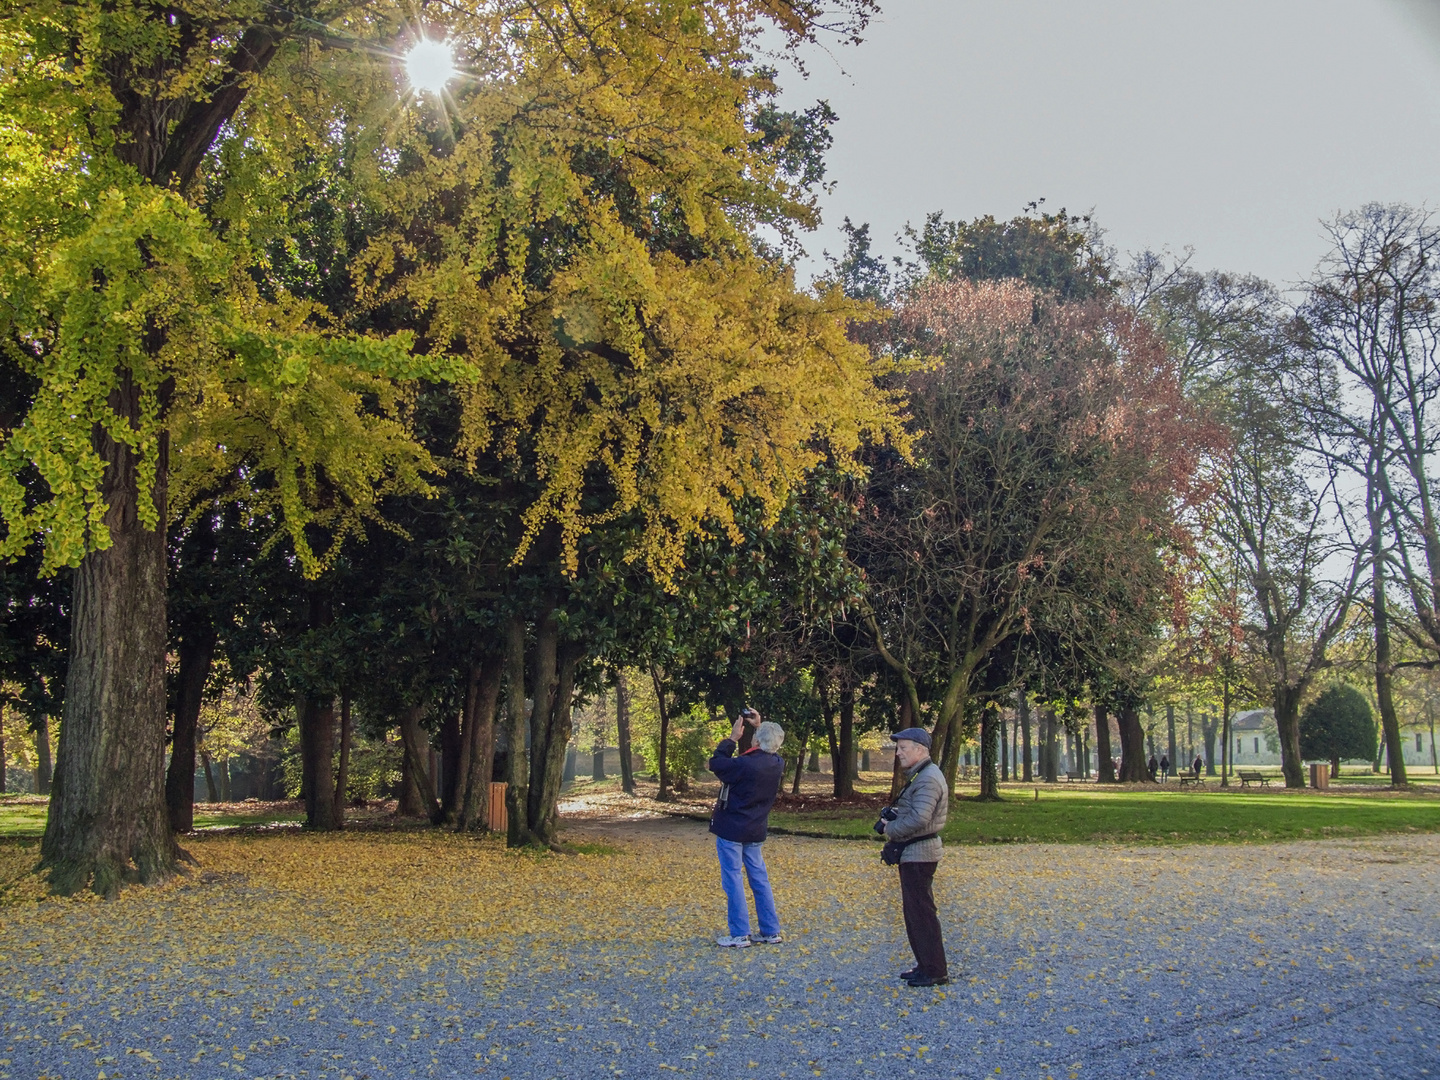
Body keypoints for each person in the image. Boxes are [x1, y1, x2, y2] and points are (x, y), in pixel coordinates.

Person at [709, 708, 786, 948]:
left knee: (733, 879)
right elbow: (766, 746)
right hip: (755, 829)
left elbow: (716, 763)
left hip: (732, 828)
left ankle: (740, 933)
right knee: (759, 879)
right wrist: (760, 727)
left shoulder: (743, 765)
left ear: (755, 741)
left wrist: (731, 739)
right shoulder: (776, 763)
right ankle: (770, 930)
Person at [882, 727, 949, 988]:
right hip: (915, 853)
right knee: (916, 912)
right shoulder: (921, 775)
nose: (898, 752)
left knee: (921, 913)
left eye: (903, 747)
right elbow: (918, 812)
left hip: (919, 854)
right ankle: (926, 964)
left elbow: (921, 818)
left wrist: (891, 829)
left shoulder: (927, 778)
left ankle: (934, 970)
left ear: (920, 750)